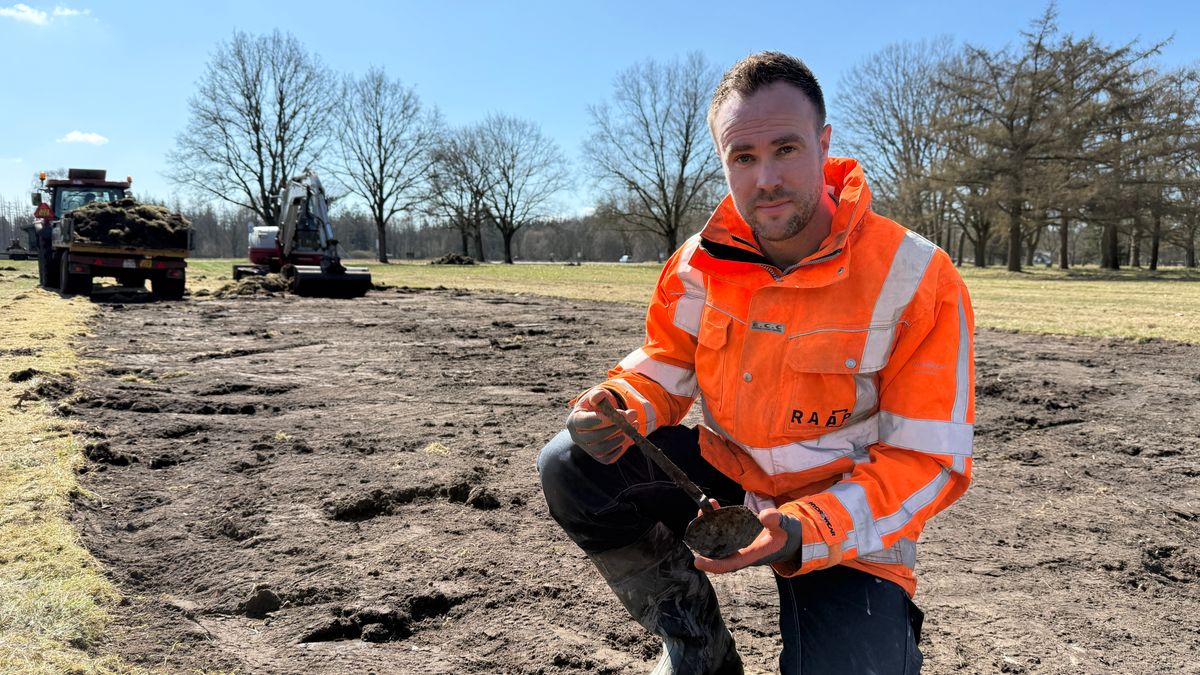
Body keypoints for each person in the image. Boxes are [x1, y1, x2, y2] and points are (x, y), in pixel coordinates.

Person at [537, 51, 974, 675]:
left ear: (824, 145)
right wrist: (624, 403)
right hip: (728, 475)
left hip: (847, 515)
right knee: (573, 465)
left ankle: (873, 624)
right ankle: (698, 650)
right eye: (743, 157)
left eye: (786, 149)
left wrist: (800, 527)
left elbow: (930, 461)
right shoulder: (697, 263)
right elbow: (667, 360)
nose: (765, 177)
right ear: (724, 161)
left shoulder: (917, 277)